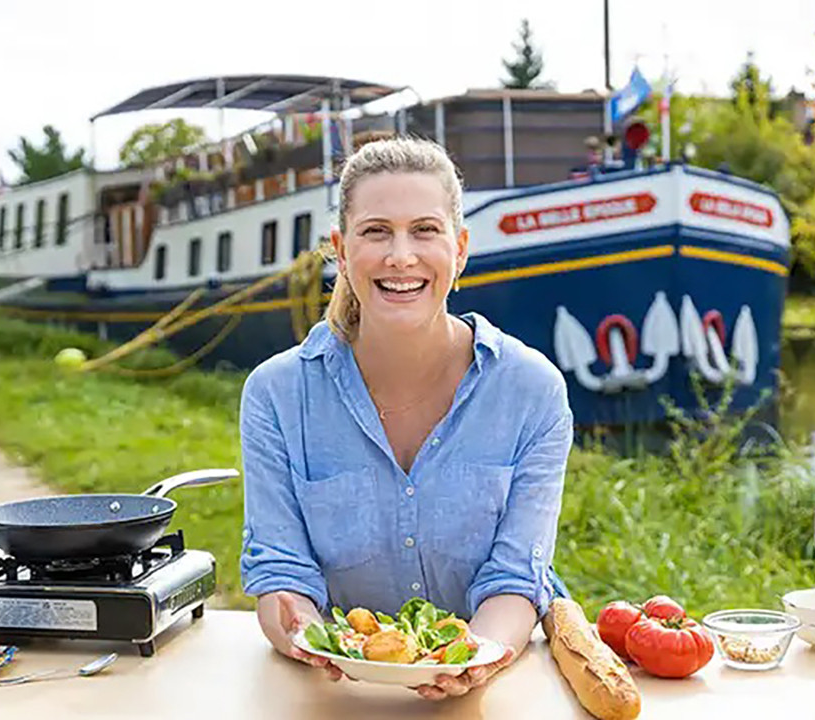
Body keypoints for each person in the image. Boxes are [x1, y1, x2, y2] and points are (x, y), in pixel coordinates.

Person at [239, 136, 574, 700]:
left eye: (424, 230)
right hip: (338, 696)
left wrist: (473, 658)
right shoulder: (276, 395)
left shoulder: (532, 391)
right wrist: (306, 634)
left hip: (490, 696)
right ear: (341, 251)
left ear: (459, 249)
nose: (401, 256)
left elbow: (516, 577)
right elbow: (282, 574)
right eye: (376, 232)